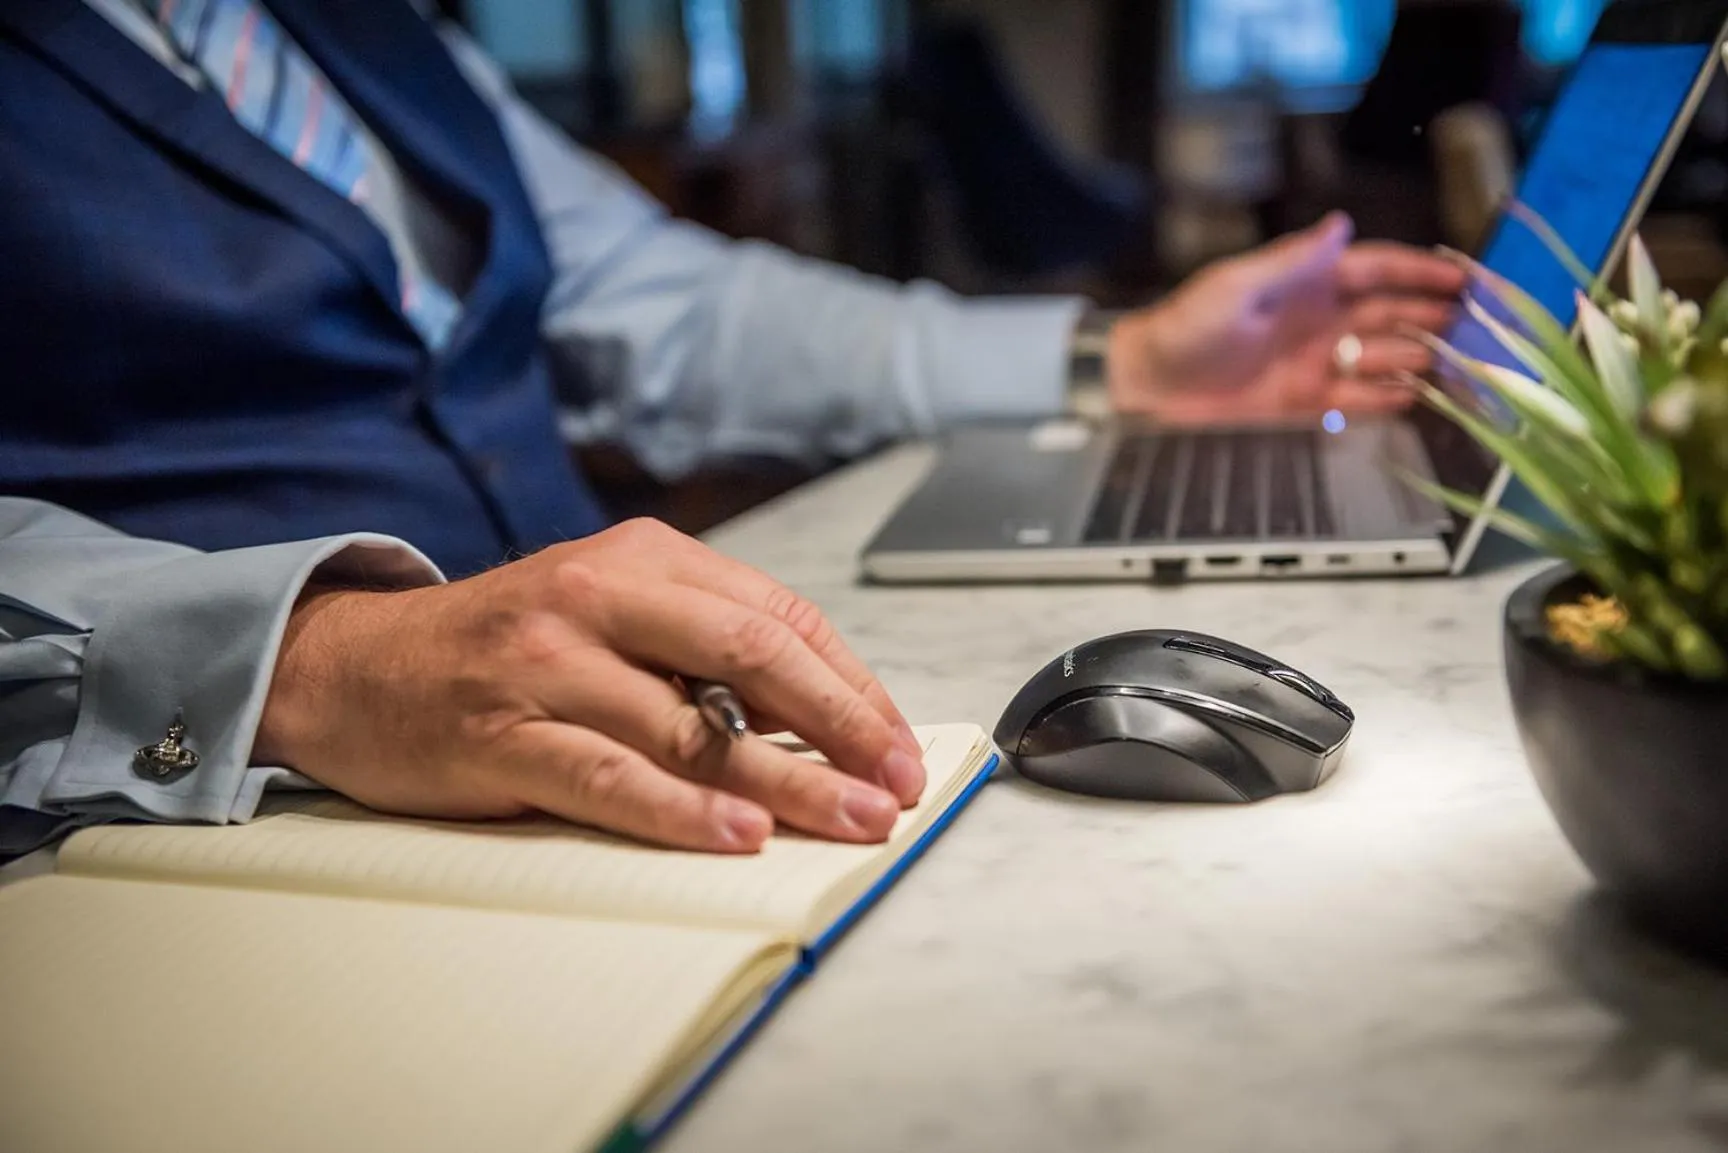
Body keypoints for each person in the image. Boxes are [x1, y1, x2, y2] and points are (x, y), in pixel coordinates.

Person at [0, 0, 1466, 862]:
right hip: (157, 831)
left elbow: (667, 306)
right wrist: (304, 663)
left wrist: (1118, 359)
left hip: (568, 758)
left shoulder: (361, 32)